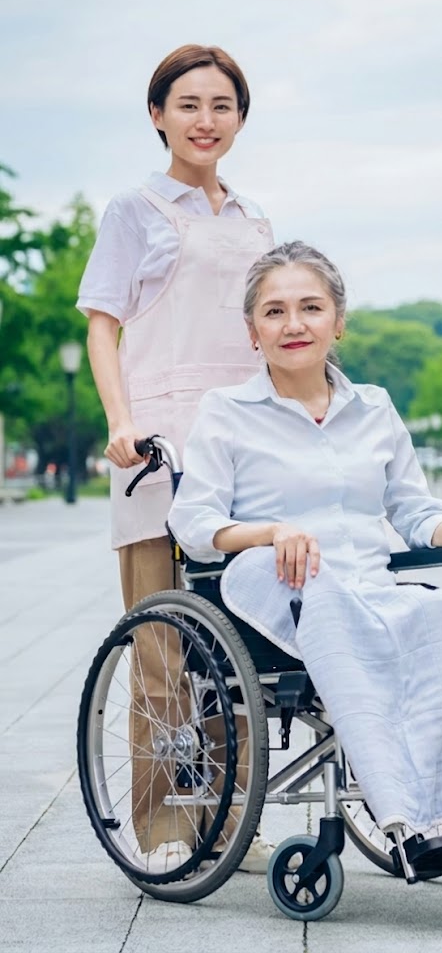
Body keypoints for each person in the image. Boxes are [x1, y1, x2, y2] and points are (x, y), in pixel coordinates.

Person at [168, 241, 442, 858]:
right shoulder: (227, 412)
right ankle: (417, 821)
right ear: (252, 331)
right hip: (277, 586)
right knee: (336, 607)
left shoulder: (374, 407)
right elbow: (194, 522)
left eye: (311, 307)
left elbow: (412, 510)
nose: (294, 324)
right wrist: (271, 530)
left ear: (338, 322)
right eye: (274, 312)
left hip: (369, 587)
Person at [76, 44, 275, 873]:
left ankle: (230, 822)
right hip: (157, 444)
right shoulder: (135, 210)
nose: (205, 120)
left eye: (221, 105)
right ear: (157, 115)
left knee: (242, 648)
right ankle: (163, 829)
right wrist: (120, 424)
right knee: (162, 644)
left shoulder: (254, 221)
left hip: (240, 443)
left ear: (239, 118)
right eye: (187, 104)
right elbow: (102, 323)